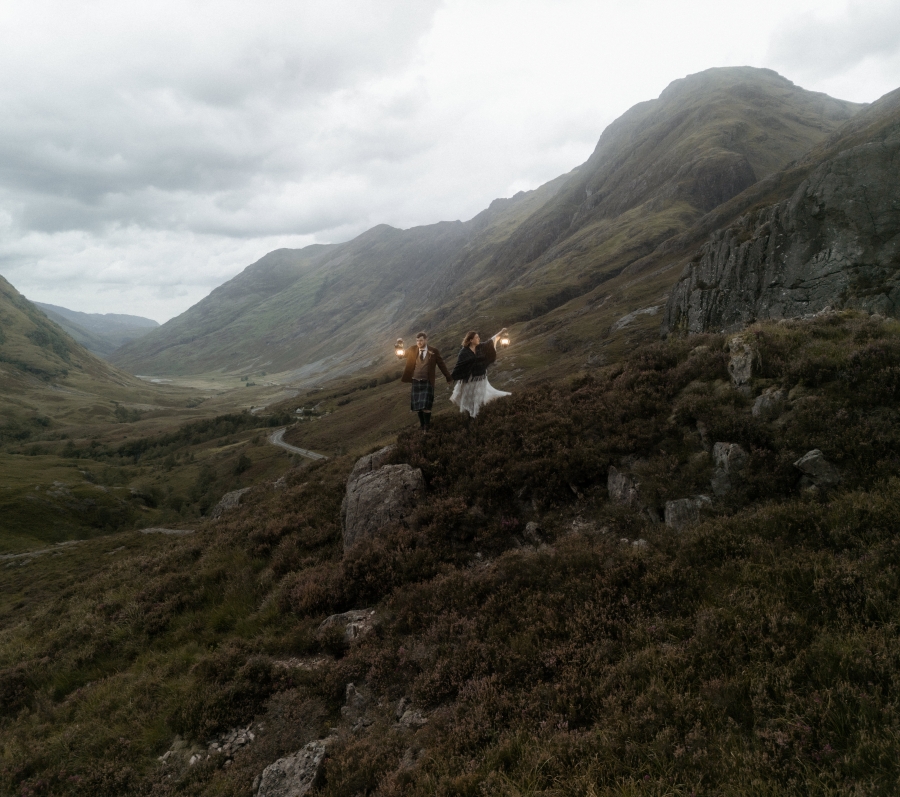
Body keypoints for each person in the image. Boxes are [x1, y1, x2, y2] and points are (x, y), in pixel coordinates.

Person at [449, 328, 511, 417]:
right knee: (469, 400)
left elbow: (491, 341)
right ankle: (469, 417)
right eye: (476, 337)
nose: (479, 339)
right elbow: (459, 365)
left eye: (478, 337)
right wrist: (451, 377)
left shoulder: (481, 347)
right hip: (469, 381)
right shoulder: (464, 352)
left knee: (479, 399)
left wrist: (501, 332)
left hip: (481, 379)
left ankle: (477, 416)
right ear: (471, 340)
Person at [400, 331, 452, 433]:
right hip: (416, 381)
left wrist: (448, 377)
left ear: (426, 340)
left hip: (427, 382)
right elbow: (402, 355)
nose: (419, 343)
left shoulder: (434, 351)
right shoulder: (413, 349)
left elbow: (441, 365)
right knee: (418, 407)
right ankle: (422, 425)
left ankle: (427, 426)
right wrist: (398, 348)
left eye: (421, 340)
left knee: (426, 406)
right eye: (417, 340)